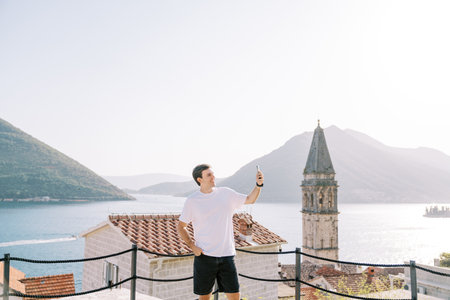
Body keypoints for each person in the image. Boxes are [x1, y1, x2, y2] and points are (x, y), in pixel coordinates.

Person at [177, 164, 264, 300]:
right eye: (209, 175)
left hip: (227, 255)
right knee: (204, 298)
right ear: (199, 179)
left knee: (235, 297)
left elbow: (250, 199)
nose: (213, 177)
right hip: (204, 257)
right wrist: (192, 246)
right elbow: (181, 226)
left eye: (213, 174)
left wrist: (259, 185)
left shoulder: (226, 193)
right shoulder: (192, 201)